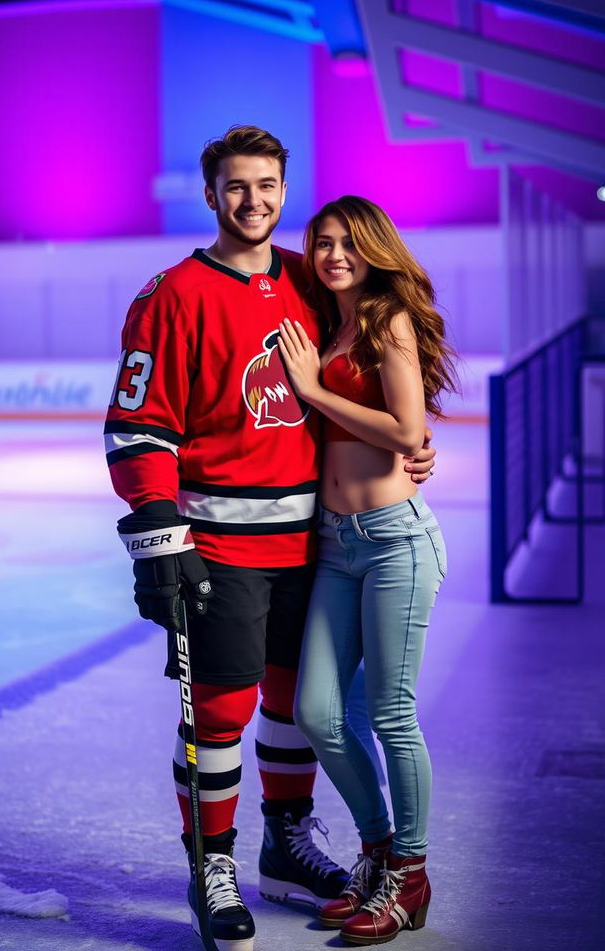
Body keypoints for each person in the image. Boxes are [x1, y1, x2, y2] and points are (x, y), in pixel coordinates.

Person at [104, 128, 436, 951]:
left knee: (296, 709)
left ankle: (287, 848)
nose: (254, 201)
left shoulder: (306, 277)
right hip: (219, 544)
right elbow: (137, 425)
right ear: (210, 194)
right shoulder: (171, 293)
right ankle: (210, 864)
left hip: (315, 544)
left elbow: (366, 367)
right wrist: (158, 531)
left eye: (268, 186)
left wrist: (411, 440)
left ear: (285, 189)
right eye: (237, 187)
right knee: (220, 712)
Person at [278, 196, 457, 945]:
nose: (334, 254)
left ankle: (409, 876)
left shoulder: (387, 318)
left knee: (389, 713)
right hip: (336, 544)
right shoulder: (325, 324)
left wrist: (315, 389)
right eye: (322, 242)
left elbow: (407, 429)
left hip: (393, 542)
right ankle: (378, 853)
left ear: (375, 247)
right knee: (319, 713)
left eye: (348, 242)